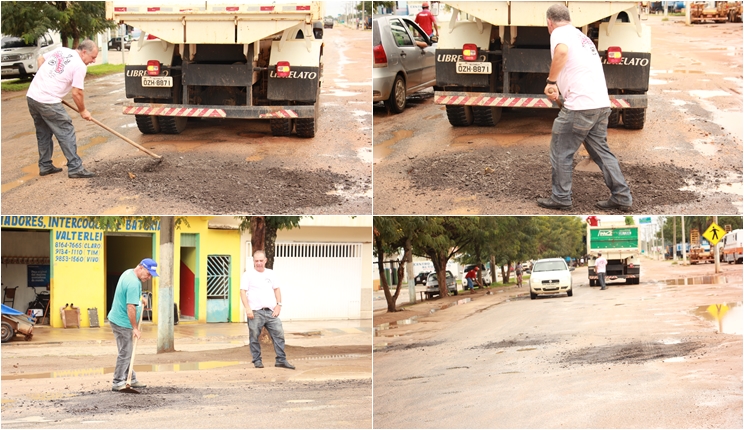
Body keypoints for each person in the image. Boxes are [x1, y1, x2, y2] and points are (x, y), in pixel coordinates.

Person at [536, 4, 633, 212]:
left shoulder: (559, 33)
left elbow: (561, 53)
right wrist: (561, 89)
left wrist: (551, 82)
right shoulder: (580, 36)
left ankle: (561, 197)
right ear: (569, 19)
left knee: (561, 150)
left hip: (580, 107)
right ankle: (622, 196)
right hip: (599, 104)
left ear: (549, 23)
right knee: (601, 152)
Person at [26, 39, 99, 179]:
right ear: (84, 52)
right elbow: (77, 93)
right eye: (93, 57)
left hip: (32, 97)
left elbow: (41, 58)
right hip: (48, 101)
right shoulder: (79, 66)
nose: (94, 61)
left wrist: (45, 79)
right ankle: (75, 167)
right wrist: (83, 111)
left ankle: (45, 165)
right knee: (66, 131)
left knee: (43, 132)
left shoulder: (63, 50)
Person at [107, 258, 158, 391]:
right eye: (148, 274)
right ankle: (118, 381)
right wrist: (135, 328)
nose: (149, 278)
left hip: (118, 318)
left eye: (151, 276)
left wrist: (140, 300)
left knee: (127, 351)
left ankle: (131, 378)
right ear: (141, 267)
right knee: (126, 352)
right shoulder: (133, 283)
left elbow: (130, 296)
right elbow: (130, 307)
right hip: (122, 322)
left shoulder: (129, 272)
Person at [240, 250, 295, 370]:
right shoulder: (248, 275)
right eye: (256, 261)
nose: (259, 263)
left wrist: (278, 305)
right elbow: (242, 291)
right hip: (255, 312)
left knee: (279, 334)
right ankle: (257, 360)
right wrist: (247, 308)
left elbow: (276, 289)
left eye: (261, 260)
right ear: (253, 261)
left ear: (265, 260)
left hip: (271, 311)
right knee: (254, 336)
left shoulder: (271, 273)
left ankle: (281, 360)